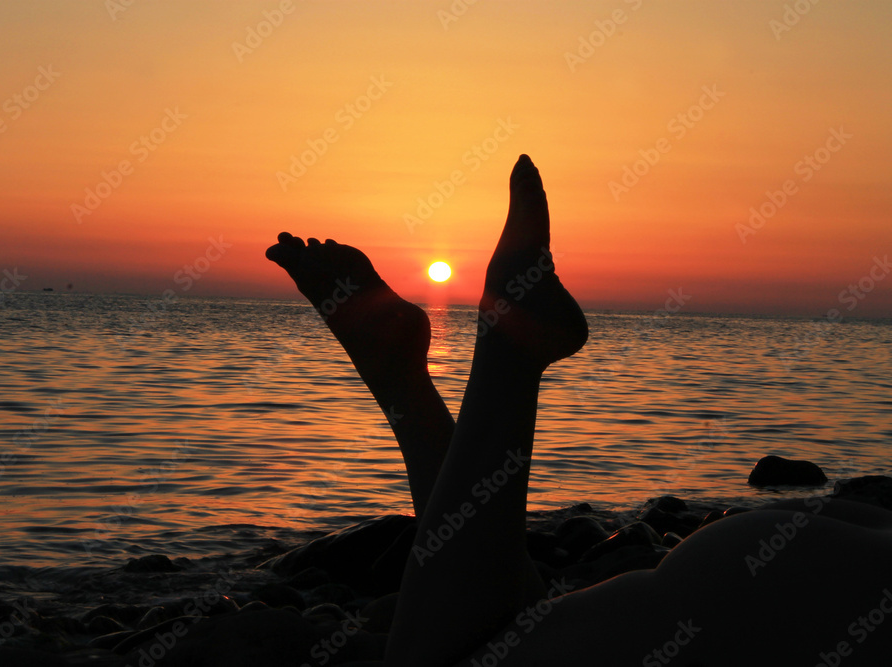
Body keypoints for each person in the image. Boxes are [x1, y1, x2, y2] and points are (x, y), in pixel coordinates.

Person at [267, 155, 892, 666]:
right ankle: (482, 355)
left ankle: (413, 381)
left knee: (482, 629)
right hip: (803, 589)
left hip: (795, 570)